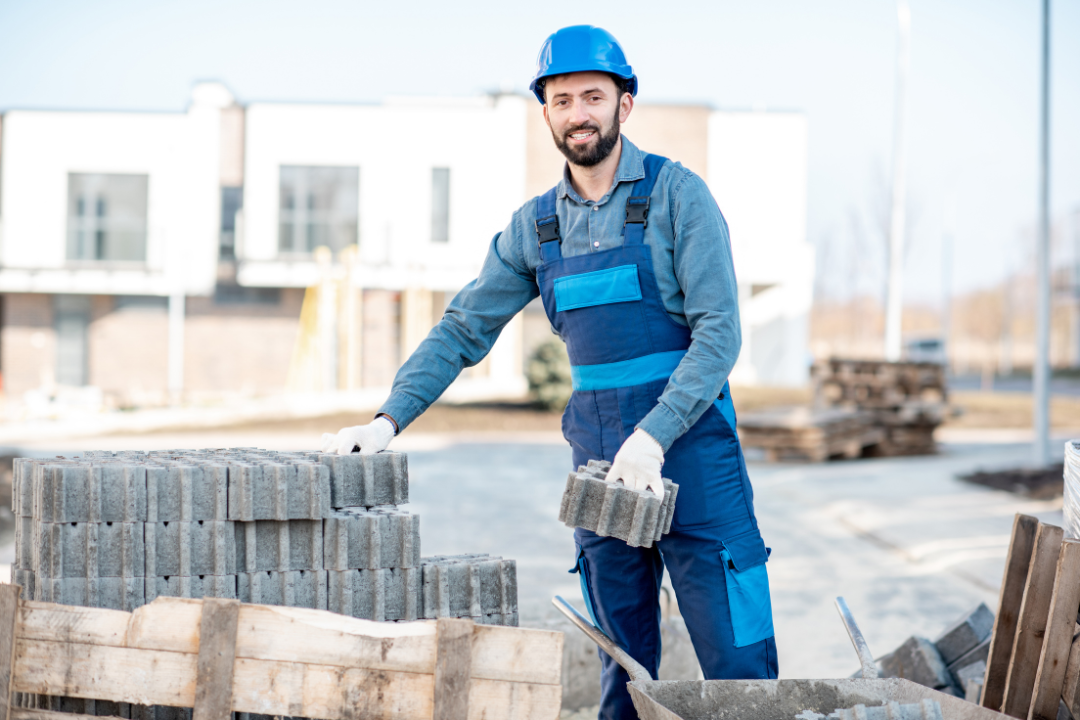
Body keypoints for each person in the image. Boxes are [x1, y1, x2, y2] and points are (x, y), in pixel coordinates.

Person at [321, 24, 778, 719]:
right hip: (599, 461)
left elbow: (719, 336)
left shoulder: (679, 198)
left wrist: (653, 436)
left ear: (625, 103)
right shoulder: (536, 229)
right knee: (621, 663)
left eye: (593, 96)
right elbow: (463, 327)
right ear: (546, 113)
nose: (578, 114)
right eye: (562, 101)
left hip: (690, 450)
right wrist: (388, 419)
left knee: (738, 662)